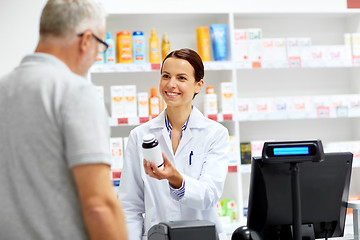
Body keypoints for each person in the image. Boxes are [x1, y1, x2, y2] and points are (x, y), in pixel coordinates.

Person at [0, 0, 128, 239]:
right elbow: (99, 206)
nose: (96, 58)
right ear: (86, 40)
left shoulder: (3, 88)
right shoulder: (74, 91)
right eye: (101, 48)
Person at [118, 48, 230, 240]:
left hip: (200, 236)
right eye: (166, 76)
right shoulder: (139, 135)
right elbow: (129, 206)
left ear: (198, 85)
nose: (171, 84)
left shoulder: (215, 134)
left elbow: (209, 195)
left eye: (181, 78)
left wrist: (176, 180)